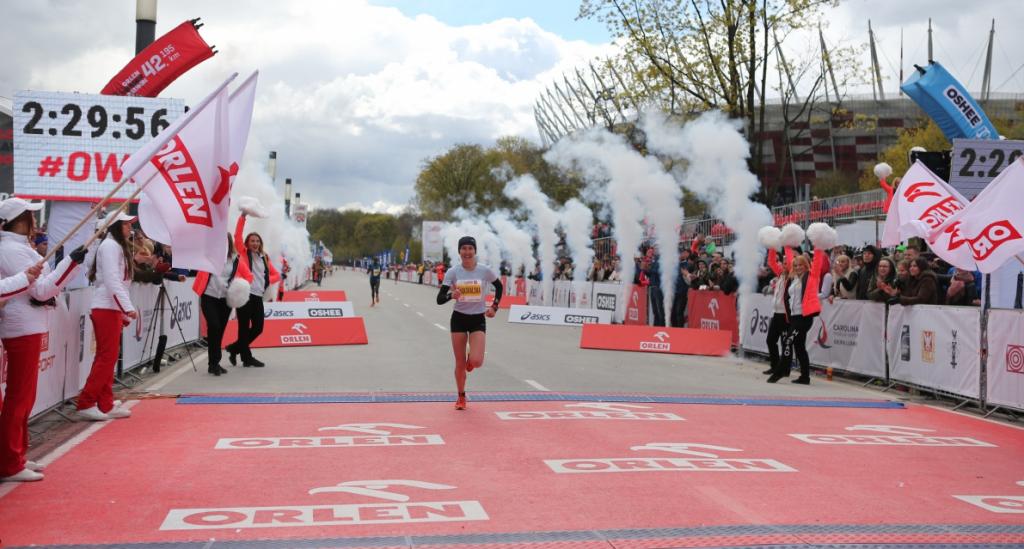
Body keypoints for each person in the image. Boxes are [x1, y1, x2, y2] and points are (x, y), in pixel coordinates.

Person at [0, 198, 80, 482]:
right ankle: (10, 461)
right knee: (19, 396)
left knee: (23, 396)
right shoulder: (12, 249)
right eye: (31, 216)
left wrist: (70, 263)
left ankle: (16, 455)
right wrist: (70, 264)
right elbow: (41, 292)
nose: (35, 221)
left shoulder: (20, 247)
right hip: (21, 326)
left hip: (27, 324)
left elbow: (41, 288)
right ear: (21, 220)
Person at [76, 212, 137, 423]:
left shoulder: (114, 246)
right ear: (116, 226)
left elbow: (117, 282)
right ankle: (86, 402)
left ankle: (105, 402)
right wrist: (127, 308)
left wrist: (123, 310)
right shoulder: (110, 246)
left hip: (110, 306)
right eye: (127, 224)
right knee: (106, 357)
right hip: (106, 307)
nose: (130, 228)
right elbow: (112, 281)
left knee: (107, 357)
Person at [436, 236, 502, 410]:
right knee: (459, 362)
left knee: (477, 361)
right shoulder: (453, 272)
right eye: (463, 248)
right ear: (459, 252)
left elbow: (499, 286)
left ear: (475, 251)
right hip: (458, 318)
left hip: (477, 318)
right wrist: (452, 295)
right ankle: (461, 396)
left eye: (470, 249)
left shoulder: (484, 270)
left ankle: (470, 358)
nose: (467, 252)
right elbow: (440, 299)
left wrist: (494, 307)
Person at [225, 214, 281, 368]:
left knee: (258, 328)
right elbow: (237, 235)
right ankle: (246, 357)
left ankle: (234, 348)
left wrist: (267, 281)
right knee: (243, 328)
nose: (255, 243)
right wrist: (243, 216)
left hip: (258, 296)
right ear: (247, 243)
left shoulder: (264, 257)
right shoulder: (243, 253)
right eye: (252, 241)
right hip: (244, 295)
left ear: (260, 243)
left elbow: (276, 274)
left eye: (257, 241)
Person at [193, 234, 251, 376]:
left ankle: (214, 363)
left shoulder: (236, 260)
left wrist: (238, 286)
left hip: (225, 299)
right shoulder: (207, 256)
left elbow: (249, 276)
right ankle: (213, 362)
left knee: (219, 331)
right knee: (214, 326)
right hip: (208, 296)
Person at [781, 254, 823, 385]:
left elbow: (818, 262)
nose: (798, 267)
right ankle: (805, 376)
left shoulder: (811, 277)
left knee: (788, 340)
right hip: (794, 316)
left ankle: (782, 369)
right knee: (799, 346)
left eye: (800, 265)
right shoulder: (794, 279)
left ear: (806, 265)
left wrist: (818, 245)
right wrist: (787, 245)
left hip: (804, 317)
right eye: (795, 265)